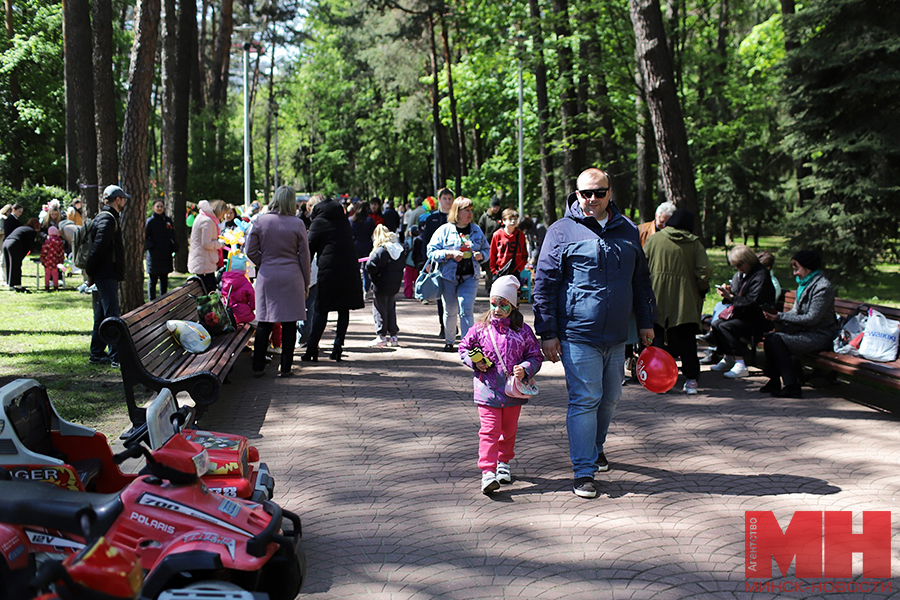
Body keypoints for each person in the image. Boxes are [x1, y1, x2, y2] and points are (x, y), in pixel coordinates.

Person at [533, 167, 656, 499]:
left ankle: (596, 448)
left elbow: (641, 280)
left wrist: (647, 321)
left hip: (617, 336)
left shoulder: (627, 229)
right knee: (585, 399)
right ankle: (583, 471)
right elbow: (543, 286)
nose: (591, 199)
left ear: (609, 193)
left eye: (598, 193)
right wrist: (547, 332)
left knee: (611, 397)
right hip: (577, 334)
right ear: (576, 194)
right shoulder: (561, 231)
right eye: (585, 193)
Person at [458, 275, 543, 495]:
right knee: (489, 430)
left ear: (514, 305)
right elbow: (464, 348)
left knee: (509, 430)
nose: (497, 309)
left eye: (503, 304)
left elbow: (536, 355)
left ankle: (503, 462)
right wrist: (474, 362)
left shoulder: (523, 331)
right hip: (487, 390)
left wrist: (525, 368)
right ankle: (487, 471)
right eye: (493, 303)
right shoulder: (480, 328)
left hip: (513, 391)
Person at [642, 209, 711, 395]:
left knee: (657, 338)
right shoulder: (694, 243)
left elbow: (642, 265)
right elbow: (704, 271)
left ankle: (657, 378)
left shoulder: (654, 239)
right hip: (684, 300)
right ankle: (691, 380)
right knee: (687, 339)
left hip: (656, 297)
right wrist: (701, 288)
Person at [246, 186, 311, 377]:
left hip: (268, 276)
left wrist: (263, 262)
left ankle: (258, 367)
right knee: (290, 323)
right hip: (292, 276)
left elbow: (249, 250)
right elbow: (304, 257)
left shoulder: (260, 221)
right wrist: (306, 283)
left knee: (265, 321)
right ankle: (286, 367)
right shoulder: (297, 224)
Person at [761, 251, 840, 398]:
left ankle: (792, 385)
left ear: (808, 267)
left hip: (820, 335)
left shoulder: (822, 287)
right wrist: (776, 316)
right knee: (770, 338)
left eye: (797, 268)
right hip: (804, 331)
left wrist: (780, 316)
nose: (795, 272)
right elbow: (796, 312)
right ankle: (774, 380)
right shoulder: (804, 285)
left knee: (777, 340)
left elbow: (812, 318)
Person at [304, 196, 365, 362]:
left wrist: (305, 272)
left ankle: (311, 348)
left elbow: (309, 249)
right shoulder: (342, 219)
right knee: (343, 309)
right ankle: (338, 346)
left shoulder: (318, 222)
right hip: (348, 268)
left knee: (321, 309)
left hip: (329, 270)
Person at [427, 196, 489, 352]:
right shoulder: (444, 230)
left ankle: (468, 345)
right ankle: (449, 341)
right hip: (448, 277)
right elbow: (431, 251)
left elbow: (487, 250)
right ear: (457, 212)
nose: (470, 214)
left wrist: (481, 256)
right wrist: (449, 254)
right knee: (450, 310)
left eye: (471, 210)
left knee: (466, 309)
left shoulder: (476, 230)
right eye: (466, 210)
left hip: (470, 277)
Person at [709, 244, 776, 378]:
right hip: (744, 316)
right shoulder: (742, 274)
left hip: (759, 319)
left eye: (739, 265)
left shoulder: (761, 275)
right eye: (735, 265)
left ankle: (740, 363)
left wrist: (732, 297)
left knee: (727, 327)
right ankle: (728, 358)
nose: (737, 268)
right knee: (717, 324)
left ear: (748, 261)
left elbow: (752, 301)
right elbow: (736, 294)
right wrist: (727, 293)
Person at [86, 185, 130, 366]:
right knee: (112, 316)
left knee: (102, 315)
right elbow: (98, 249)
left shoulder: (108, 217)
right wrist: (91, 271)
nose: (125, 201)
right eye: (123, 198)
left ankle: (96, 352)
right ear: (117, 199)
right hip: (106, 274)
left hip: (105, 274)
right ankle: (116, 357)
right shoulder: (108, 219)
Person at [419, 189, 454, 337]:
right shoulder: (432, 218)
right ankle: (444, 326)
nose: (447, 201)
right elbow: (425, 240)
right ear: (439, 200)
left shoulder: (457, 218)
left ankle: (453, 325)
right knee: (441, 295)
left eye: (450, 198)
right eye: (444, 198)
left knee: (455, 296)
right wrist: (426, 262)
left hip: (455, 261)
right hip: (438, 261)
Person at [366, 224, 406, 347]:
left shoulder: (380, 251)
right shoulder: (399, 249)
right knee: (390, 309)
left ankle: (381, 335)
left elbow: (370, 266)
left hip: (381, 284)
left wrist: (374, 276)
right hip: (394, 285)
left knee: (379, 309)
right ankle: (393, 335)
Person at [188, 199, 226, 293]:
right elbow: (206, 243)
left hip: (203, 261)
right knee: (209, 292)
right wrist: (220, 244)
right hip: (204, 263)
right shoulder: (207, 221)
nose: (222, 217)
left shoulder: (204, 217)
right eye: (223, 214)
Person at [145, 199, 178, 300]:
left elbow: (172, 235)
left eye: (161, 207)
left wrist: (173, 247)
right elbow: (145, 237)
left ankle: (163, 302)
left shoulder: (167, 220)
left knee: (164, 280)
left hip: (165, 255)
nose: (159, 208)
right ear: (153, 208)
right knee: (153, 280)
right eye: (157, 206)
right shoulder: (150, 222)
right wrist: (152, 246)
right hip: (154, 256)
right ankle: (152, 303)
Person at [490, 208, 528, 281]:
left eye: (515, 219)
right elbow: (492, 254)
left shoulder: (521, 235)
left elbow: (524, 253)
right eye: (510, 219)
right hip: (500, 271)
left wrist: (520, 269)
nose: (513, 221)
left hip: (515, 271)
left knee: (514, 292)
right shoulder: (497, 235)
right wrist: (494, 271)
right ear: (504, 220)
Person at [3, 217, 40, 292]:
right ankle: (18, 285)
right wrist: (22, 256)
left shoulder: (23, 228)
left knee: (9, 264)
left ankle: (11, 285)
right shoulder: (31, 231)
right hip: (14, 243)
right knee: (16, 265)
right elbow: (28, 245)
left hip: (6, 243)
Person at [478, 197, 503, 292]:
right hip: (488, 245)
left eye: (497, 206)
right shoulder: (485, 217)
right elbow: (480, 230)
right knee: (489, 268)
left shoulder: (501, 217)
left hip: (500, 246)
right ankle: (489, 288)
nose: (495, 209)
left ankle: (499, 289)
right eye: (493, 206)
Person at [41, 225, 66, 291]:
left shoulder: (47, 241)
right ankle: (56, 286)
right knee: (55, 274)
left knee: (47, 274)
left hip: (48, 260)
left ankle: (47, 286)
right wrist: (61, 260)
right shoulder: (59, 241)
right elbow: (61, 252)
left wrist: (42, 258)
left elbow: (44, 250)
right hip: (56, 260)